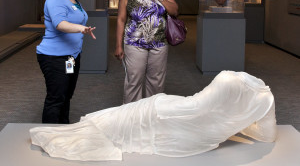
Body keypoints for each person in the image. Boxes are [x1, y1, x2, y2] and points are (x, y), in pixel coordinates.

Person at [30, 71, 277, 161]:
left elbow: (195, 106)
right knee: (121, 124)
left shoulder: (228, 79)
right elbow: (267, 136)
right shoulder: (265, 101)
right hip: (188, 133)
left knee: (118, 121)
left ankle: (90, 126)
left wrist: (233, 123)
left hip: (168, 113)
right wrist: (237, 124)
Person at [36, 0, 96, 124]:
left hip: (71, 57)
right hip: (54, 57)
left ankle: (63, 132)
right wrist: (81, 28)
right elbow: (59, 23)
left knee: (66, 96)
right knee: (56, 98)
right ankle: (48, 138)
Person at [114, 0, 178, 104]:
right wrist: (118, 45)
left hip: (159, 44)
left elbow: (175, 10)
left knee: (156, 83)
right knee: (134, 81)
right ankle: (132, 117)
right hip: (134, 44)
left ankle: (151, 116)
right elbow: (121, 20)